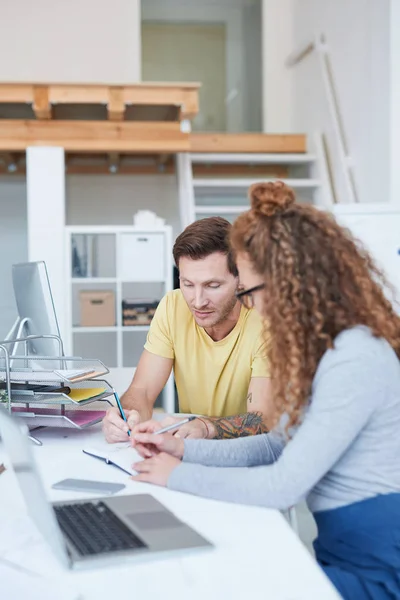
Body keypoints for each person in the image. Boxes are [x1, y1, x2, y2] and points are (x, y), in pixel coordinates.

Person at [131, 182, 400, 600]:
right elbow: (276, 445)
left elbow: (282, 485)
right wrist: (184, 451)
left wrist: (178, 476)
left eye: (250, 293)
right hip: (339, 552)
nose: (250, 306)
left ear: (293, 283)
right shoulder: (325, 351)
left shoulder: (356, 357)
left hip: (378, 567)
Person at [102, 216, 272, 444]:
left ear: (239, 279)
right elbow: (141, 390)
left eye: (213, 286)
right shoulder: (172, 306)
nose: (198, 301)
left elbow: (263, 419)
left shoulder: (265, 320)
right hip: (190, 446)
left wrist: (205, 427)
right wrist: (127, 415)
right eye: (188, 284)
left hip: (250, 451)